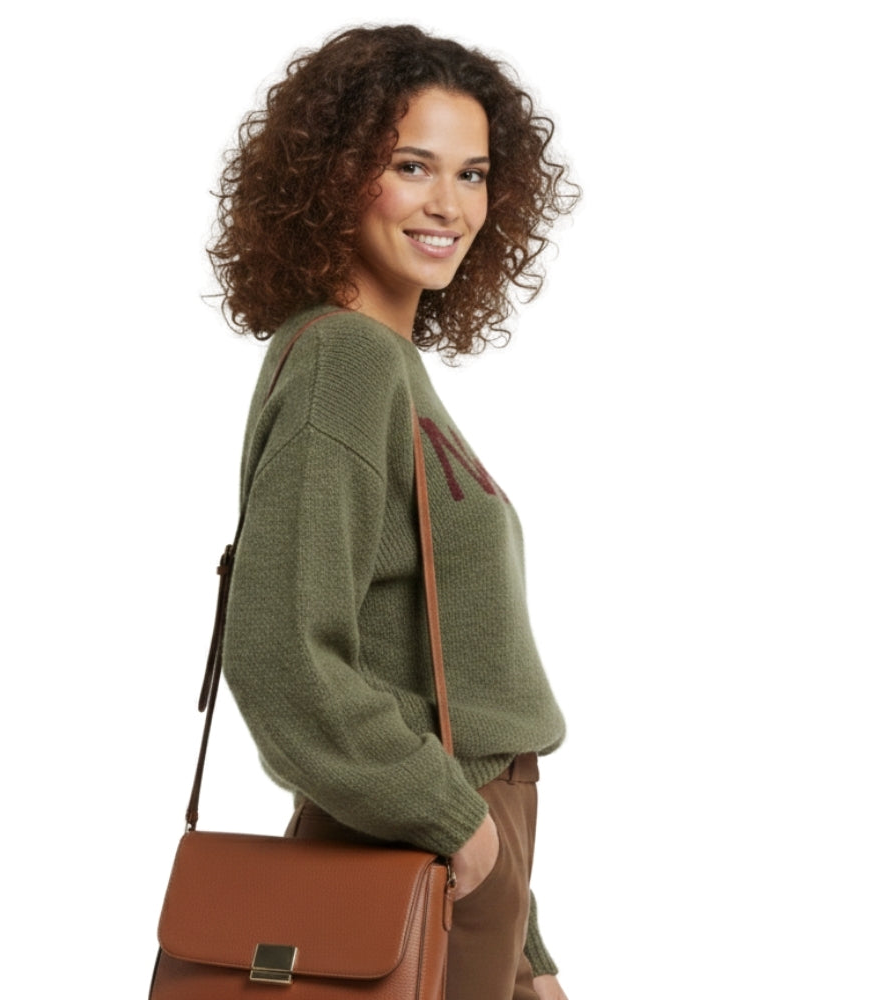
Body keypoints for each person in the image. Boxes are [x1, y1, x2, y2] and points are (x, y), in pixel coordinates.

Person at [211, 24, 578, 1000]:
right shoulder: (346, 361)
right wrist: (463, 830)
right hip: (415, 845)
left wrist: (525, 943)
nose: (448, 204)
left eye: (472, 174)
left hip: (453, 852)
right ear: (334, 175)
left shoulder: (388, 368)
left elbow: (429, 683)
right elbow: (283, 657)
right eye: (411, 165)